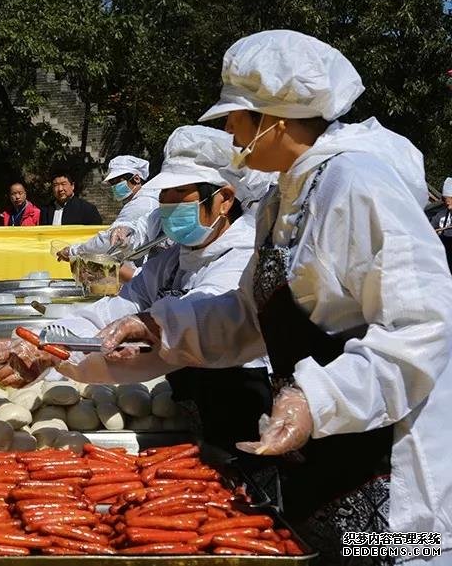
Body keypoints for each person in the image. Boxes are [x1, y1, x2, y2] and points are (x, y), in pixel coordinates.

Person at [96, 30, 452, 564]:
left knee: (388, 552)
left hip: (389, 467)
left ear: (276, 119)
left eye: (238, 116)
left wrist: (319, 397)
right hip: (319, 458)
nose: (230, 130)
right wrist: (162, 325)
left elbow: (421, 324)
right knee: (327, 548)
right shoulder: (284, 197)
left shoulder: (357, 184)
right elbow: (250, 315)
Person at [0, 126, 274, 454]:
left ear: (224, 199)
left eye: (179, 194)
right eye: (164, 196)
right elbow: (113, 312)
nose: (168, 206)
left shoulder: (243, 257)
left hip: (240, 400)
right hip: (189, 398)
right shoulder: (171, 261)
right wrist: (41, 342)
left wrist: (150, 325)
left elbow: (211, 317)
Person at [55, 155, 159, 280]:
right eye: (112, 183)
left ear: (136, 179)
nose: (114, 187)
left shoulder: (140, 204)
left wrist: (73, 251)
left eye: (117, 181)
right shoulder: (143, 202)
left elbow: (110, 241)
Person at [430, 177, 452, 270]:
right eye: (444, 199)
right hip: (444, 259)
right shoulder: (441, 215)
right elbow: (430, 228)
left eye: (449, 198)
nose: (446, 201)